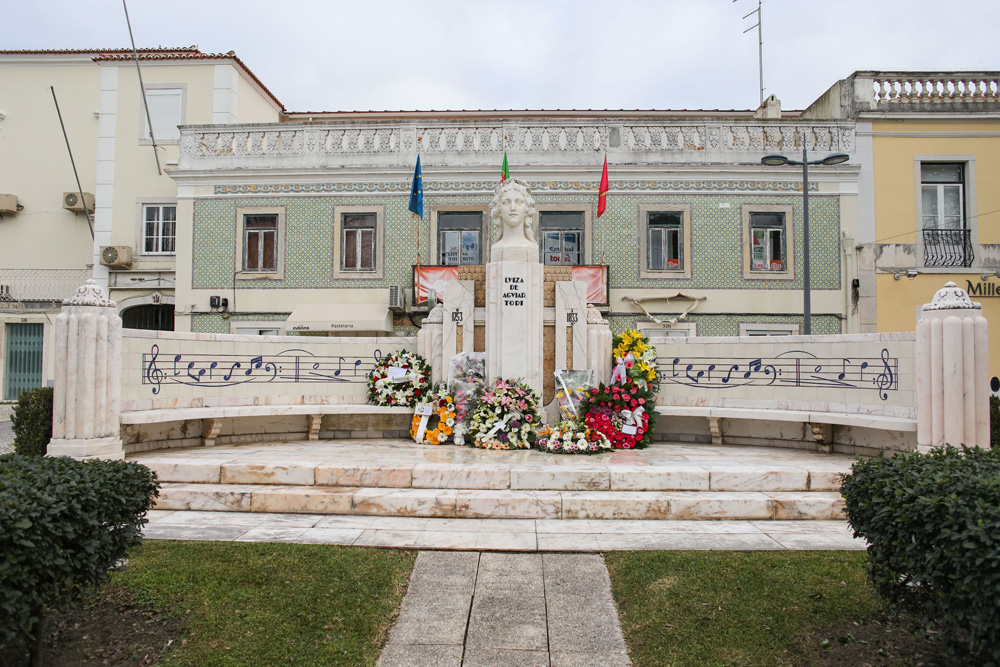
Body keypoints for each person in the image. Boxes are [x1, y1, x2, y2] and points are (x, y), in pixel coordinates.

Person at [489, 179, 538, 253]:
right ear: (499, 209)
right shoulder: (495, 249)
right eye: (506, 202)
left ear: (527, 208)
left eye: (519, 202)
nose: (513, 208)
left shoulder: (532, 248)